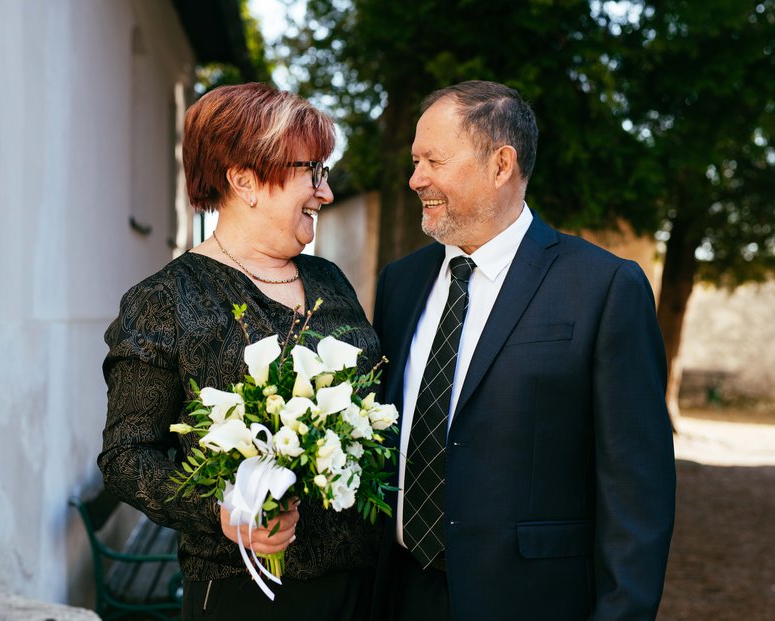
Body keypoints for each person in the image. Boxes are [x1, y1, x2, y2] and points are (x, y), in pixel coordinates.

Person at [372, 80, 676, 620]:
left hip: (531, 602)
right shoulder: (400, 282)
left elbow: (637, 491)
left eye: (432, 161)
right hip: (399, 596)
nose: (415, 179)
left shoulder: (604, 287)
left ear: (501, 164)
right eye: (415, 161)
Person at [98, 82, 380, 621]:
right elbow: (126, 457)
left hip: (359, 588)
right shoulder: (165, 300)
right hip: (244, 593)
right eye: (312, 172)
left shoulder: (330, 281)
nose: (326, 192)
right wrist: (225, 511)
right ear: (245, 180)